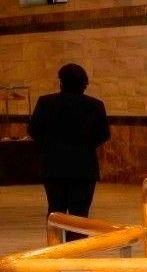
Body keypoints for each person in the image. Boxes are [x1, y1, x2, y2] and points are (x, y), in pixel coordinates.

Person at [28, 62, 110, 233]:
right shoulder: (95, 105)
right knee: (80, 216)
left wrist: (51, 147)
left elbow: (34, 130)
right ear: (85, 84)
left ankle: (55, 251)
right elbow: (103, 134)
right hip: (84, 169)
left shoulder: (45, 103)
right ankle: (77, 253)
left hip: (53, 167)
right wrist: (85, 147)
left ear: (61, 82)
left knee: (55, 213)